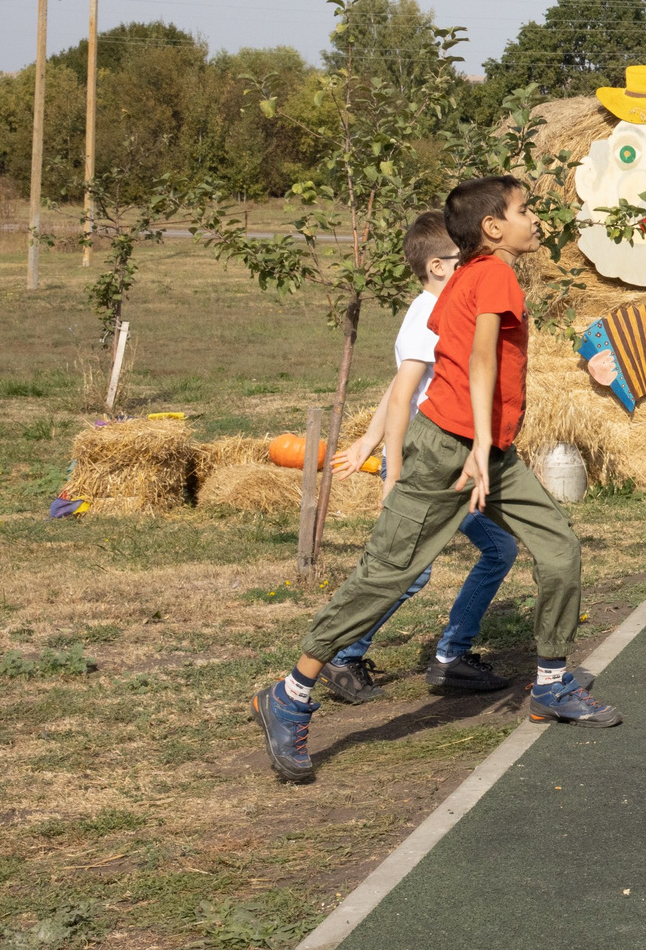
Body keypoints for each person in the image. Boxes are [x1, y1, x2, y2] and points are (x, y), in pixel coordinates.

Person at [253, 177, 618, 785]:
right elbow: (476, 360)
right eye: (525, 211)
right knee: (389, 573)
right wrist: (474, 445)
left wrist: (486, 446)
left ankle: (552, 683)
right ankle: (289, 696)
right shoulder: (493, 273)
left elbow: (465, 360)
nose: (535, 221)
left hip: (486, 451)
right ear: (493, 229)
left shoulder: (469, 276)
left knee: (558, 548)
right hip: (447, 452)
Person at [315, 210, 521, 703]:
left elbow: (399, 388)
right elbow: (406, 394)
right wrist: (392, 469)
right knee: (413, 567)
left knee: (498, 549)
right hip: (421, 461)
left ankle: (451, 657)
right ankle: (342, 657)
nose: (473, 265)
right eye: (462, 258)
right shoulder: (426, 318)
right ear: (436, 266)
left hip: (447, 461)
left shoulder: (448, 306)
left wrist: (366, 440)